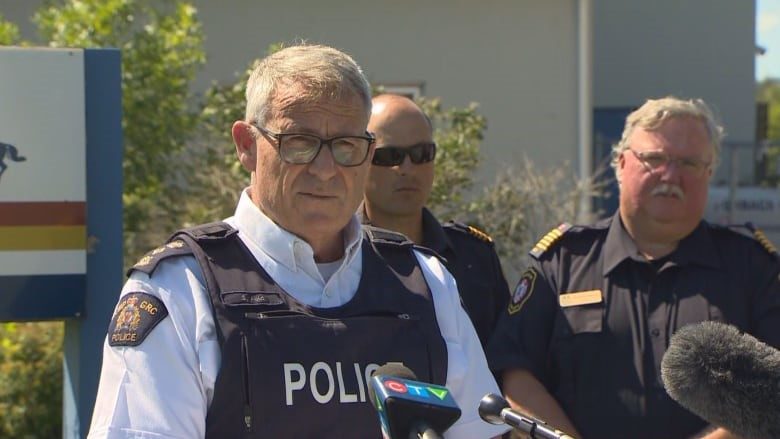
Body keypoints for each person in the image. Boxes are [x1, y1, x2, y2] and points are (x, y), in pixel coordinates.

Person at [88, 44, 506, 439]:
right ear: (247, 146)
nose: (325, 169)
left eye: (345, 146)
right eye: (300, 144)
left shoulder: (426, 283)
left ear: (367, 152)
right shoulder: (180, 292)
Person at [487, 96, 780, 439]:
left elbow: (772, 388)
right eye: (655, 159)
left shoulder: (753, 267)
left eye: (689, 163)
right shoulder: (562, 262)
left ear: (709, 173)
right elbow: (516, 374)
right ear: (622, 164)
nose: (671, 176)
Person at [361, 94, 510, 348]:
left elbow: (507, 360)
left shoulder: (475, 258)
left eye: (421, 153)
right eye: (389, 156)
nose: (406, 168)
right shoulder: (332, 256)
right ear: (358, 159)